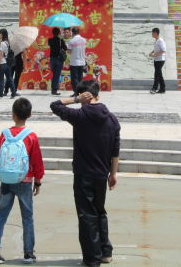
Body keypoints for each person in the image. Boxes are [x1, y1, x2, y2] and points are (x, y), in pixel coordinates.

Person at [50, 81, 120, 267]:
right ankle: (105, 252)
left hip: (83, 173)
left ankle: (92, 258)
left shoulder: (80, 115)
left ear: (84, 96)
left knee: (86, 215)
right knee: (100, 212)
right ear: (98, 95)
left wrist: (74, 99)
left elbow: (55, 105)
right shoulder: (112, 119)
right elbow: (115, 150)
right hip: (102, 174)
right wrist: (113, 174)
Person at [0, 97, 45, 265]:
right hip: (25, 180)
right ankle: (28, 253)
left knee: (1, 216)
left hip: (6, 180)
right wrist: (38, 180)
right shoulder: (31, 136)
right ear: (29, 115)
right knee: (27, 217)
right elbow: (37, 160)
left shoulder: (4, 134)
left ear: (13, 115)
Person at [66, 27, 87, 98]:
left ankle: (76, 92)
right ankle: (80, 92)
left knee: (74, 78)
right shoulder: (84, 40)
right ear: (78, 32)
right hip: (82, 61)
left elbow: (69, 51)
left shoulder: (72, 41)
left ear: (72, 32)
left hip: (74, 62)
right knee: (80, 78)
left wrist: (66, 48)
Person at [48, 27, 67, 96]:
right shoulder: (60, 40)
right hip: (59, 59)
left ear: (52, 33)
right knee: (56, 75)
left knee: (54, 74)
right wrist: (62, 39)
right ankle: (54, 90)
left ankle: (53, 88)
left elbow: (50, 45)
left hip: (52, 59)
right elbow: (65, 48)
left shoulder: (50, 40)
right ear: (59, 33)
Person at [148, 27, 167, 93]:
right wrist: (152, 52)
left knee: (156, 74)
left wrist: (154, 55)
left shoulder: (160, 41)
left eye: (152, 33)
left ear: (156, 33)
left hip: (160, 60)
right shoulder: (157, 40)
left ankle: (154, 88)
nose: (152, 34)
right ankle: (162, 89)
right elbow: (157, 49)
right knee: (159, 74)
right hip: (157, 59)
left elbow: (163, 50)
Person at [0, 29, 15, 98]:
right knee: (10, 78)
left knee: (1, 79)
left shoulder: (2, 43)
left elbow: (1, 54)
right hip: (8, 63)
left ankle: (1, 93)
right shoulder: (8, 42)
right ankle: (13, 92)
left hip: (2, 63)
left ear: (2, 34)